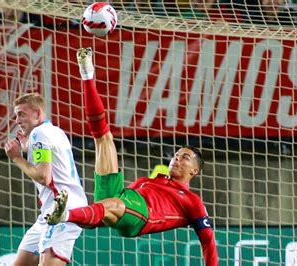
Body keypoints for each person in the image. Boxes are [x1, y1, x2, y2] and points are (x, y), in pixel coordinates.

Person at [46, 48, 219, 265]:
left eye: (184, 157)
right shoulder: (154, 180)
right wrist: (89, 219)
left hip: (143, 215)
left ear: (194, 171)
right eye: (176, 155)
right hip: (123, 197)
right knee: (104, 139)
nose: (176, 159)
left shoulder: (192, 201)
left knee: (111, 205)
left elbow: (208, 240)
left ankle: (65, 215)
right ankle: (87, 74)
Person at [4, 93, 88, 265]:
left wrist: (16, 158)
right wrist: (28, 148)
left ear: (37, 112)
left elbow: (43, 176)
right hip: (50, 212)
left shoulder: (39, 134)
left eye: (22, 114)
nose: (17, 120)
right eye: (16, 115)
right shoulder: (55, 131)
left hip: (63, 209)